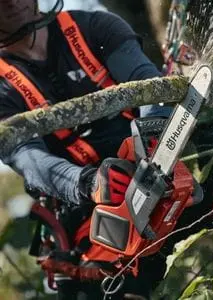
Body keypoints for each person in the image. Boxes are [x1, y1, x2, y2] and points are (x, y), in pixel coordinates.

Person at [0, 0, 179, 299]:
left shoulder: (93, 27)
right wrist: (87, 182)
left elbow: (147, 82)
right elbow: (28, 158)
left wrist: (154, 140)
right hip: (92, 216)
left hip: (161, 172)